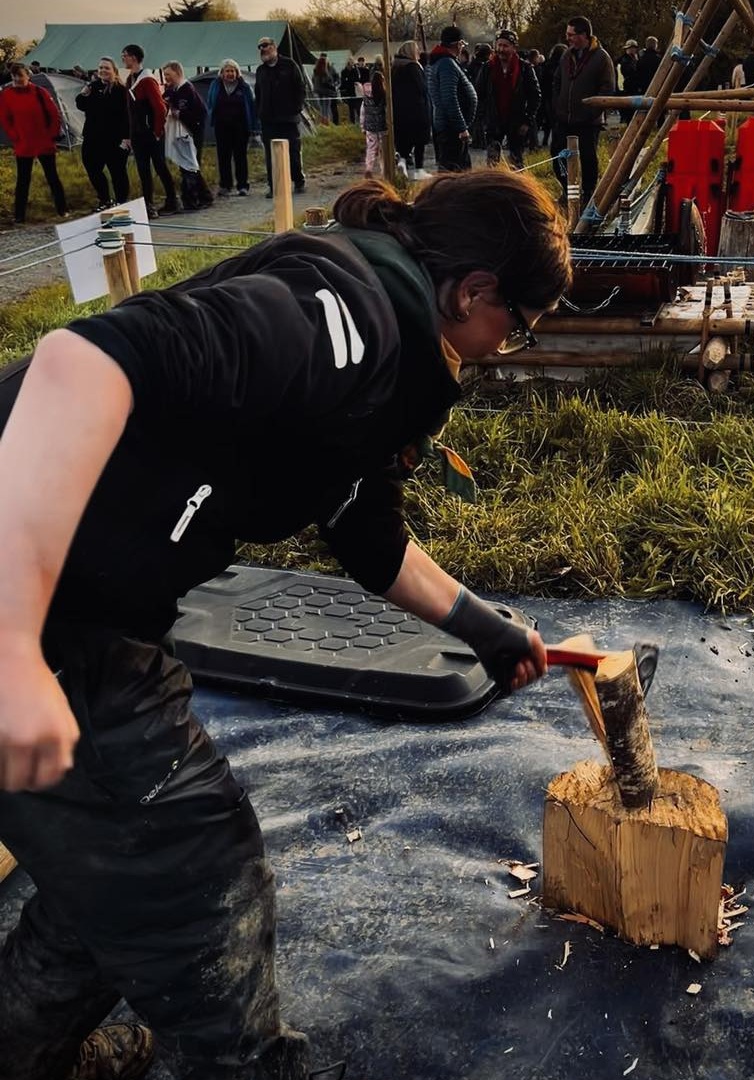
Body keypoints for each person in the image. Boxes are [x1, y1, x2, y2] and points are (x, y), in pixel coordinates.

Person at [0, 166, 570, 1080]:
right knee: (192, 869)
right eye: (520, 324)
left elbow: (362, 525)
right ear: (475, 291)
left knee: (109, 865)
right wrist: (12, 648)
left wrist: (482, 626)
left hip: (88, 607)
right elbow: (79, 364)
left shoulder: (386, 357)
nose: (509, 347)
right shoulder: (336, 318)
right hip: (38, 602)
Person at [551, 16, 615, 210]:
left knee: (588, 159)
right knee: (557, 155)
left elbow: (608, 89)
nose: (568, 38)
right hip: (564, 119)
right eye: (567, 34)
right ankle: (567, 189)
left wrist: (590, 112)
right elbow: (557, 82)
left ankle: (588, 194)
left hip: (588, 121)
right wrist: (557, 106)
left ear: (584, 35)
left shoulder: (601, 58)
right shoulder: (566, 56)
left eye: (571, 35)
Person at [0, 63, 68, 225]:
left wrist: (51, 135)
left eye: (20, 76)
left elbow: (54, 114)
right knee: (23, 180)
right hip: (24, 142)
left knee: (52, 177)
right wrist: (15, 136)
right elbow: (5, 119)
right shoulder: (6, 95)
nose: (17, 79)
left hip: (43, 140)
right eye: (14, 77)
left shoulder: (40, 92)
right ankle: (19, 215)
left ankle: (62, 209)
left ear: (28, 76)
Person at [121, 44, 179, 220]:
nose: (123, 58)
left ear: (134, 57)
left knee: (160, 166)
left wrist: (156, 132)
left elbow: (159, 108)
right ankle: (148, 204)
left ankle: (172, 200)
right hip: (138, 134)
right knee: (143, 170)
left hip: (151, 133)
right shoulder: (130, 79)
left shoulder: (147, 80)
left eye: (125, 55)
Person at [474, 28, 540, 170]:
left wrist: (528, 120)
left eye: (505, 46)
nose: (501, 49)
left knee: (516, 162)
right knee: (492, 162)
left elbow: (535, 96)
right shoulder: (488, 68)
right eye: (499, 45)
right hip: (493, 121)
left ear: (514, 47)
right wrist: (483, 118)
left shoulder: (524, 68)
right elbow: (479, 95)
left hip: (517, 122)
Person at [75, 56, 130, 211]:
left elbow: (127, 116)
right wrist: (83, 94)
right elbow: (81, 105)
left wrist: (127, 138)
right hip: (93, 136)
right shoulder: (93, 86)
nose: (103, 71)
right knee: (92, 168)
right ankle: (105, 199)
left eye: (106, 68)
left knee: (117, 171)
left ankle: (121, 202)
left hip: (115, 138)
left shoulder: (121, 90)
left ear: (114, 71)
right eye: (100, 68)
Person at [255, 35, 306, 197]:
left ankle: (298, 181)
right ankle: (274, 185)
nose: (263, 49)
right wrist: (259, 111)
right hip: (268, 120)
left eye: (265, 45)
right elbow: (258, 93)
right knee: (271, 155)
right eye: (260, 47)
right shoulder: (260, 70)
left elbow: (300, 87)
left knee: (293, 151)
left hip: (288, 118)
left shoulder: (289, 65)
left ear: (274, 46)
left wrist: (296, 108)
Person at [162, 61, 213, 211]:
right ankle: (202, 197)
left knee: (190, 166)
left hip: (191, 132)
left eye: (168, 75)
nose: (166, 78)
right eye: (165, 75)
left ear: (177, 73)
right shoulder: (172, 89)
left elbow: (202, 112)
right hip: (180, 133)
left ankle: (193, 199)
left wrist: (181, 114)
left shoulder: (188, 89)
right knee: (187, 166)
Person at [428, 25, 476, 173]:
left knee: (457, 171)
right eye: (461, 44)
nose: (462, 48)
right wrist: (461, 128)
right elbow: (449, 98)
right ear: (456, 44)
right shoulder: (446, 64)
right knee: (454, 173)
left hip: (450, 127)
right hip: (451, 130)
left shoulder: (444, 62)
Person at [207, 58, 257, 197]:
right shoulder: (215, 85)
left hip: (241, 126)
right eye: (227, 71)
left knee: (240, 156)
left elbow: (251, 106)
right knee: (223, 156)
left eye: (233, 71)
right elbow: (210, 101)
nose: (230, 73)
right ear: (222, 73)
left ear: (237, 72)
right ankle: (225, 185)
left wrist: (253, 126)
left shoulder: (244, 87)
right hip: (221, 126)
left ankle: (242, 185)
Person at [392, 41, 431, 179]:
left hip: (399, 110)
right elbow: (422, 88)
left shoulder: (395, 67)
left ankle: (402, 162)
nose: (419, 51)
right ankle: (419, 169)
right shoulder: (413, 67)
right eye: (416, 49)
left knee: (404, 140)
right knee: (419, 141)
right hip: (417, 109)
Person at [360, 56, 387, 178]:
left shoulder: (366, 97)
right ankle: (383, 170)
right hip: (382, 126)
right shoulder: (384, 96)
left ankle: (369, 168)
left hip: (370, 126)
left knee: (371, 148)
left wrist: (362, 126)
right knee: (382, 150)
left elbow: (362, 112)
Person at [537, 43, 566, 146]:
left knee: (549, 121)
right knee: (558, 122)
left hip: (547, 97)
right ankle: (556, 141)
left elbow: (542, 82)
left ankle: (545, 140)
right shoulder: (564, 67)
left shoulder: (546, 66)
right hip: (560, 98)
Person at [616, 39, 639, 124]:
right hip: (626, 86)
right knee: (628, 107)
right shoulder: (624, 60)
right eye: (631, 48)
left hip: (629, 86)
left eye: (634, 48)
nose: (633, 50)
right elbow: (629, 72)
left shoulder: (633, 58)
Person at [312, 53, 339, 124]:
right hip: (326, 91)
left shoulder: (316, 69)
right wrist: (333, 86)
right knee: (326, 108)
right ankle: (326, 123)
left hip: (319, 90)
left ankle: (324, 122)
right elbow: (326, 81)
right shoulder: (324, 70)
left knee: (322, 108)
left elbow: (313, 80)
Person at [339, 55, 363, 124]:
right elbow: (343, 82)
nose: (350, 65)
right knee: (351, 109)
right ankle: (353, 122)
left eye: (352, 63)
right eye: (349, 63)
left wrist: (349, 80)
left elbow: (357, 79)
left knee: (358, 109)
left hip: (356, 92)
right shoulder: (344, 72)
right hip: (348, 93)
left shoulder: (355, 70)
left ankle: (360, 122)